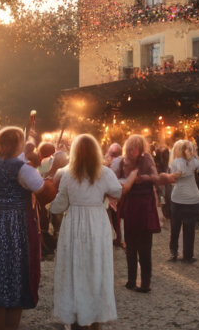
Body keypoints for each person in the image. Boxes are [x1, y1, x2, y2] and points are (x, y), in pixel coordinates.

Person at [51, 134, 122, 329]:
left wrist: (49, 205)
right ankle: (95, 316)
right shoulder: (105, 173)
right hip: (97, 223)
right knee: (96, 267)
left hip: (73, 223)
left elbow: (59, 205)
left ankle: (76, 315)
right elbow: (117, 191)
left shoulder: (68, 174)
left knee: (75, 268)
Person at [0, 127, 44, 330]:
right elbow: (40, 187)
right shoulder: (22, 167)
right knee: (17, 285)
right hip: (15, 225)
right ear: (18, 144)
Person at [116, 135, 179, 293]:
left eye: (136, 146)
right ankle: (134, 281)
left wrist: (147, 178)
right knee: (132, 245)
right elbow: (116, 181)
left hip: (144, 206)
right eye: (131, 147)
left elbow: (157, 178)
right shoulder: (123, 162)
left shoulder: (146, 159)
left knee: (143, 246)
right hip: (134, 205)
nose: (133, 150)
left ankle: (143, 283)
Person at [168, 140, 199, 262]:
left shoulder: (174, 163)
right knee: (190, 228)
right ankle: (188, 255)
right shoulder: (196, 162)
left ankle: (173, 252)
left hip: (178, 197)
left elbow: (173, 179)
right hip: (192, 198)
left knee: (175, 226)